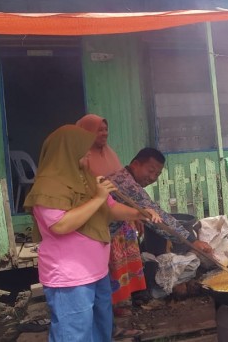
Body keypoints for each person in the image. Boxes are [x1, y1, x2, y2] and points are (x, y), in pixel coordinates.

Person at [23, 125, 161, 341]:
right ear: (67, 150)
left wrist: (139, 213)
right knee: (75, 334)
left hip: (96, 271)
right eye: (84, 149)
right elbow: (60, 225)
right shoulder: (48, 187)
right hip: (70, 278)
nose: (89, 154)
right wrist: (97, 198)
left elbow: (111, 208)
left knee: (100, 329)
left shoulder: (86, 178)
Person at [105, 148, 213, 298]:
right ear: (135, 164)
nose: (152, 177)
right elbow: (157, 217)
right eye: (150, 171)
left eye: (157, 174)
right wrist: (191, 241)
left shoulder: (123, 177)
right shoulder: (127, 184)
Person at [77, 114, 143, 322]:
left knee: (120, 264)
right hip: (99, 222)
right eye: (99, 130)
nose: (104, 133)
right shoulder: (81, 157)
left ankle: (117, 307)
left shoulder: (110, 154)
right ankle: (105, 313)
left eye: (106, 129)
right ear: (86, 132)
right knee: (105, 266)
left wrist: (136, 213)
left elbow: (123, 189)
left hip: (120, 218)